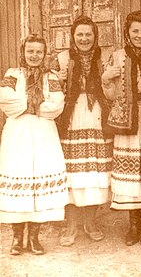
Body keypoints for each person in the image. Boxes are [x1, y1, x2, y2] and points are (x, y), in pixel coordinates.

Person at [101, 10, 141, 246]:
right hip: (127, 123)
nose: (139, 35)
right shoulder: (117, 56)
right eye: (135, 31)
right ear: (127, 33)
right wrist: (106, 79)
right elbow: (109, 96)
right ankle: (134, 225)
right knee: (130, 176)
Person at [0, 34, 68, 255]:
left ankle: (34, 238)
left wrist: (30, 107)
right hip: (18, 134)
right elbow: (5, 100)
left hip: (43, 136)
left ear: (44, 53)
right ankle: (17, 238)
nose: (34, 55)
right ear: (24, 52)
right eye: (30, 51)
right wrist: (36, 105)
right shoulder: (13, 74)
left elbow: (57, 106)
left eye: (39, 51)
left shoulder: (51, 78)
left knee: (40, 176)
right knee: (19, 176)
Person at [51, 15, 113, 246]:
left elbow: (113, 86)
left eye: (89, 34)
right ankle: (70, 226)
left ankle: (91, 222)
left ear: (95, 37)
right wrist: (57, 78)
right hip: (71, 117)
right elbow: (50, 86)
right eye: (80, 35)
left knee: (95, 171)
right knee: (72, 172)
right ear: (73, 37)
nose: (84, 39)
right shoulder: (61, 58)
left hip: (97, 114)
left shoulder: (104, 57)